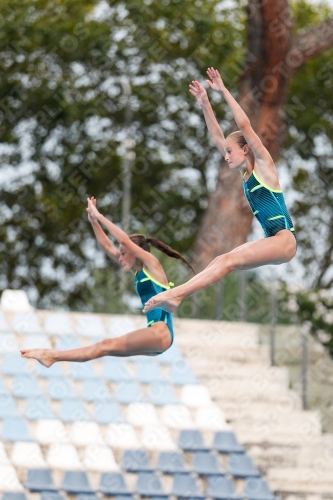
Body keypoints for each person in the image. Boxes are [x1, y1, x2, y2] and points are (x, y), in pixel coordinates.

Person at [143, 67, 297, 315]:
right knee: (220, 261)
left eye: (229, 151)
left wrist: (223, 90)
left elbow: (245, 124)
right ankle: (177, 296)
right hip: (274, 241)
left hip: (284, 240)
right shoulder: (244, 174)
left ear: (246, 149)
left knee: (227, 260)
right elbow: (217, 136)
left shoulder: (265, 167)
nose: (225, 156)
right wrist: (205, 103)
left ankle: (176, 293)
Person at [20, 197, 194, 366]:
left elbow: (124, 240)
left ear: (136, 252)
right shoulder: (138, 271)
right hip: (155, 333)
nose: (120, 257)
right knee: (103, 348)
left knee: (105, 345)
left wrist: (99, 216)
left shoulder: (152, 265)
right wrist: (93, 222)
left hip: (161, 331)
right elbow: (107, 247)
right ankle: (52, 356)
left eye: (124, 253)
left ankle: (51, 355)